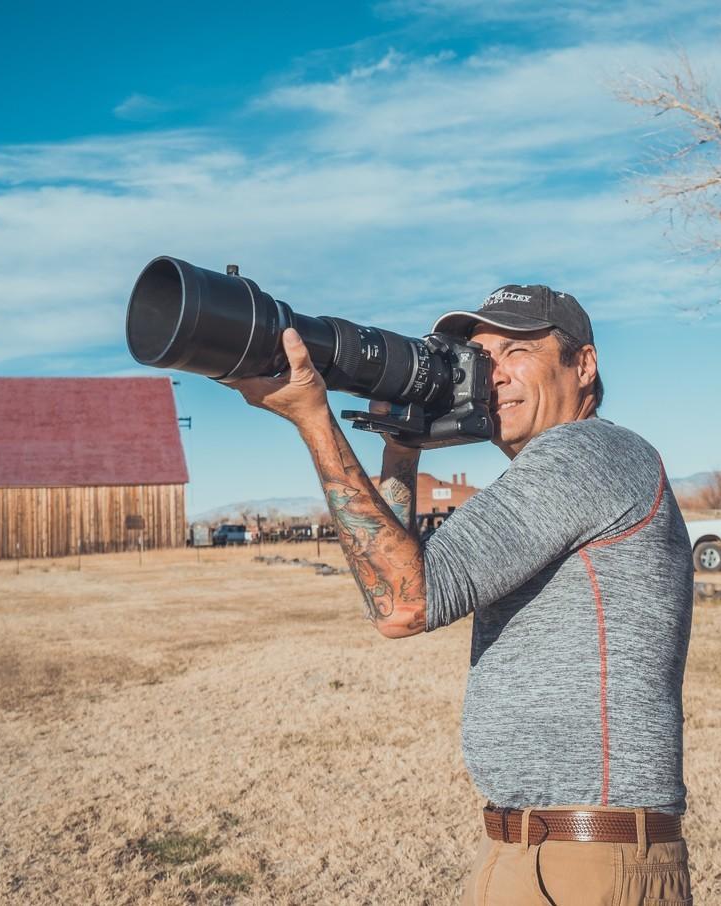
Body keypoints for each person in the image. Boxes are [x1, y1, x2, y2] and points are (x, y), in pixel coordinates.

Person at [230, 284, 694, 905]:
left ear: (583, 365)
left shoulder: (587, 453)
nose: (491, 373)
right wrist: (401, 450)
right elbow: (394, 586)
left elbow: (405, 603)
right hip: (531, 846)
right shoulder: (567, 468)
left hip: (588, 857)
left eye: (516, 350)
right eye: (479, 355)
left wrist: (315, 419)